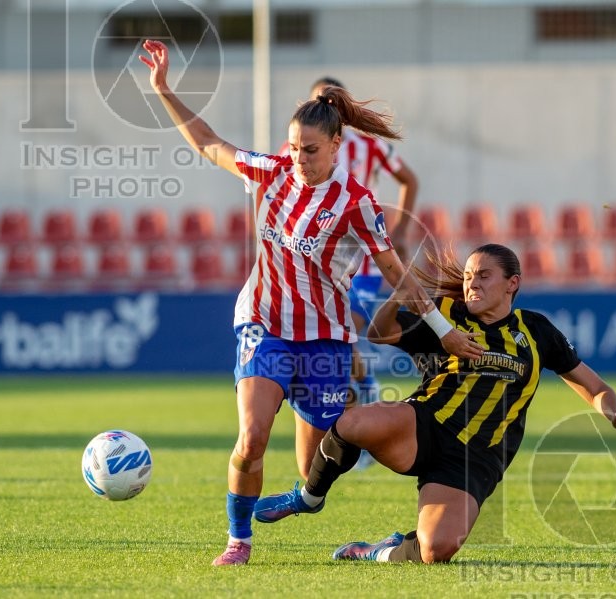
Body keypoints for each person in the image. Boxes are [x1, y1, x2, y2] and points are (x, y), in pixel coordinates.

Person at [138, 40, 484, 566]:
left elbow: (396, 273)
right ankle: (238, 541)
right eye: (296, 147)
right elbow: (209, 143)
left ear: (337, 145)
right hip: (264, 325)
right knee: (252, 436)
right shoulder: (271, 170)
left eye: (311, 151)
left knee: (312, 470)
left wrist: (443, 330)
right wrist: (164, 89)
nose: (300, 160)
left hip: (324, 338)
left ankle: (320, 505)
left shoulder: (357, 203)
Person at [254, 243, 616, 563]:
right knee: (353, 424)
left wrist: (614, 413)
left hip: (476, 457)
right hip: (424, 425)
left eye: (483, 275)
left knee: (436, 550)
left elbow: (594, 386)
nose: (471, 284)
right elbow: (379, 332)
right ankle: (309, 497)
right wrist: (400, 293)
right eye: (467, 276)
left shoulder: (535, 331)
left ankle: (377, 551)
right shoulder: (444, 315)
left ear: (512, 283)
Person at [282, 78, 420, 454]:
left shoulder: (371, 146)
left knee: (345, 330)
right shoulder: (298, 148)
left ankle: (362, 401)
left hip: (364, 261)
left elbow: (409, 179)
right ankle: (357, 408)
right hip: (318, 263)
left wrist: (400, 230)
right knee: (337, 336)